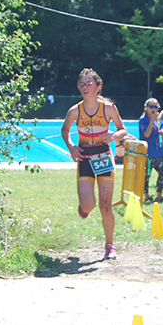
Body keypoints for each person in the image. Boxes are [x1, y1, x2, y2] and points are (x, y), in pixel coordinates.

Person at [61, 68, 127, 260]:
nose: (84, 87)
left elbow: (122, 129)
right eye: (81, 84)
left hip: (104, 158)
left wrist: (114, 136)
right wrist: (72, 145)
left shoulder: (108, 108)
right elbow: (65, 130)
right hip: (84, 159)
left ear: (98, 87)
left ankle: (109, 245)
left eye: (88, 84)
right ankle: (84, 208)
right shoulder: (75, 110)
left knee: (106, 205)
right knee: (89, 204)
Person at [138, 98, 163, 203]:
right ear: (146, 108)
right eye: (151, 106)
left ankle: (159, 194)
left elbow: (154, 133)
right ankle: (146, 195)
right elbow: (146, 134)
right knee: (146, 175)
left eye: (156, 106)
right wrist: (152, 121)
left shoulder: (154, 120)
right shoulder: (143, 119)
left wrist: (160, 131)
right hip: (146, 153)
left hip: (156, 152)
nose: (154, 109)